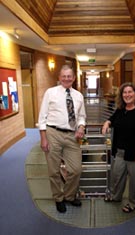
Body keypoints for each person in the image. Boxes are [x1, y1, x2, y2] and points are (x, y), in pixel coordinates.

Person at [38, 64, 86, 213]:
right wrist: (43, 138)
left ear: (73, 78)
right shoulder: (50, 93)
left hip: (72, 136)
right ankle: (59, 198)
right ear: (59, 78)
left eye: (69, 76)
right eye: (63, 76)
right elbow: (42, 117)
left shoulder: (78, 95)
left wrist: (81, 127)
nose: (66, 78)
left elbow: (82, 116)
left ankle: (69, 196)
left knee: (76, 169)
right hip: (53, 133)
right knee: (53, 170)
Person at [102, 82, 135, 213]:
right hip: (119, 151)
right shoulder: (121, 109)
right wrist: (107, 123)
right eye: (124, 92)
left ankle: (133, 203)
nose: (127, 95)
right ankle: (115, 196)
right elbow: (112, 119)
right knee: (117, 176)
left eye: (130, 92)